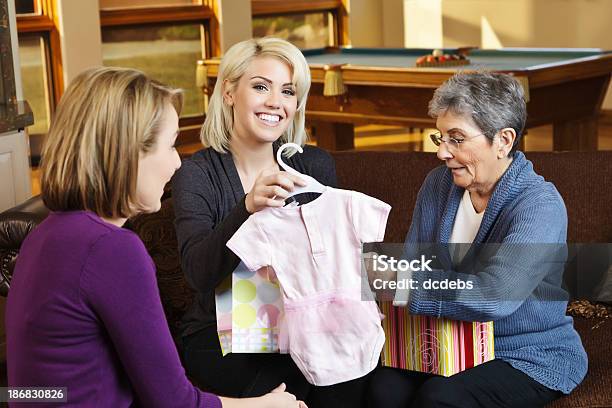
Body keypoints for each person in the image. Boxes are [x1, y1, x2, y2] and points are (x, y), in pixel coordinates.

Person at [6, 66, 305, 408]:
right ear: (128, 152)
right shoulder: (112, 249)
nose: (178, 163)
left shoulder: (46, 235)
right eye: (172, 145)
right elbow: (175, 403)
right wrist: (266, 405)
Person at [367, 72, 588, 407]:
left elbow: (495, 296)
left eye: (456, 138)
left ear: (504, 140)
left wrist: (401, 281)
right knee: (381, 389)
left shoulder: (539, 205)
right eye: (439, 137)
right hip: (445, 344)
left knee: (439, 397)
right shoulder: (438, 185)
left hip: (524, 351)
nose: (442, 152)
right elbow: (416, 262)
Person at [173, 37, 368, 407]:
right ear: (229, 92)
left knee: (348, 376)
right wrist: (245, 209)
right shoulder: (197, 174)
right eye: (261, 86)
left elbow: (336, 264)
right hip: (218, 334)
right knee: (291, 384)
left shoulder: (313, 166)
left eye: (288, 91)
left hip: (304, 325)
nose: (276, 103)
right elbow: (199, 273)